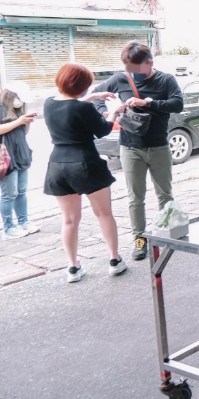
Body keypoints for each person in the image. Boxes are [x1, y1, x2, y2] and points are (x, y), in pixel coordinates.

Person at [92, 41, 184, 261]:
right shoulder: (120, 78)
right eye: (128, 69)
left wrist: (148, 103)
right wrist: (109, 113)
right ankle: (140, 240)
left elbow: (177, 104)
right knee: (136, 198)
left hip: (159, 145)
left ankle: (167, 236)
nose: (131, 74)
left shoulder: (166, 79)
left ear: (150, 63)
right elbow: (95, 96)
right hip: (130, 147)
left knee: (165, 194)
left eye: (136, 69)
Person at [44, 63, 127, 282]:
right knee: (103, 214)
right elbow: (103, 129)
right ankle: (115, 260)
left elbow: (69, 108)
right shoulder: (83, 108)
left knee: (69, 220)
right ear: (81, 87)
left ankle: (73, 267)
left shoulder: (49, 104)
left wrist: (91, 97)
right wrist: (114, 113)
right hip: (85, 164)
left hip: (58, 166)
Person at [0, 87, 38, 239]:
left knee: (21, 192)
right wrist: (18, 121)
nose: (20, 102)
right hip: (7, 156)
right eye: (18, 98)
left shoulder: (19, 111)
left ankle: (23, 222)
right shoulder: (1, 109)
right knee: (9, 193)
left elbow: (24, 133)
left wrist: (26, 121)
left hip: (21, 154)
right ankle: (8, 228)